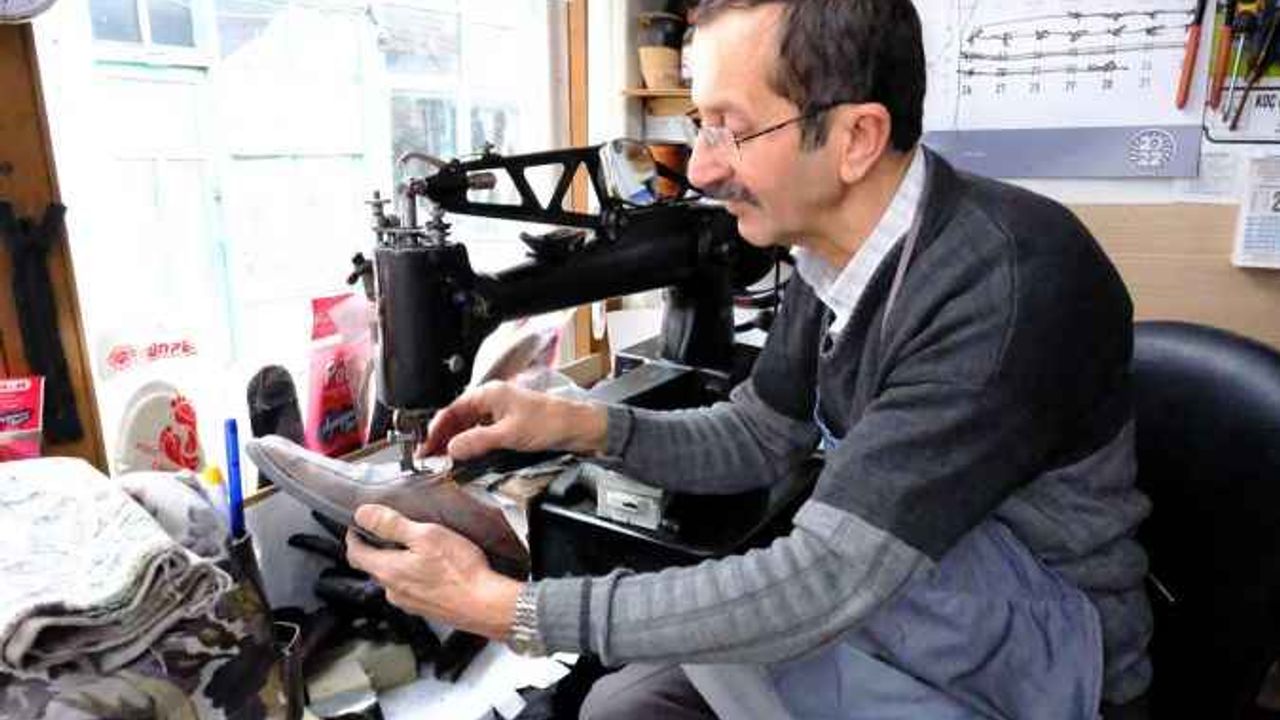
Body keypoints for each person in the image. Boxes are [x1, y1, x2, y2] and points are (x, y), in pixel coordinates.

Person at [344, 1, 1153, 717]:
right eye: (700, 124)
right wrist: (575, 423)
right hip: (906, 596)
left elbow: (825, 578)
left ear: (856, 138)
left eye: (730, 127)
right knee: (619, 705)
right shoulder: (830, 253)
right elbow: (762, 434)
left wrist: (511, 610)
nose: (701, 168)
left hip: (1046, 651)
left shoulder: (1004, 281)